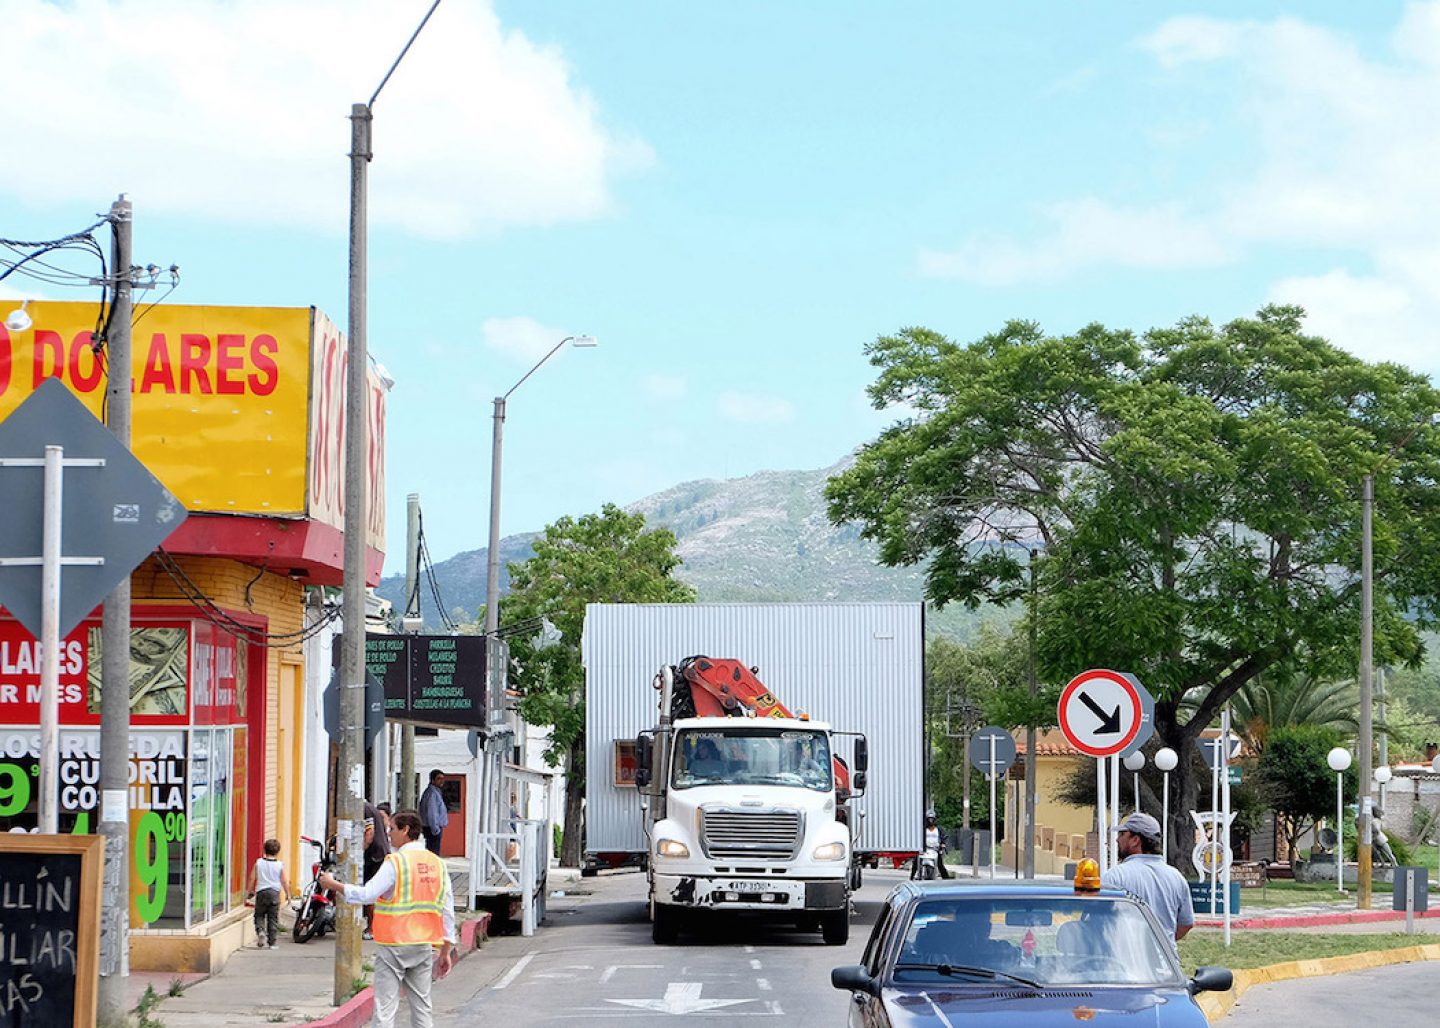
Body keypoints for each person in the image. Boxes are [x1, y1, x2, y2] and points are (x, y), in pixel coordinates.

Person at [319, 810, 456, 1028]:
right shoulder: (437, 864)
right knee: (422, 1007)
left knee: (385, 1008)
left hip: (394, 945)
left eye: (392, 829)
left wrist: (333, 884)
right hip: (423, 945)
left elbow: (367, 895)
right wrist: (446, 951)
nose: (389, 834)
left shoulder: (396, 862)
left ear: (406, 830)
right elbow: (448, 911)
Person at [1102, 812, 1194, 957]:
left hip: (1127, 965)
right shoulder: (1177, 877)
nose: (1117, 840)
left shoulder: (1115, 876)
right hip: (1166, 968)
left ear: (1135, 840)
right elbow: (1186, 924)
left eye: (1122, 835)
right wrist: (1160, 942)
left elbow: (1098, 921)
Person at [246, 838, 291, 949]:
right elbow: (284, 881)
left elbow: (252, 878)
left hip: (261, 892)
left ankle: (260, 931)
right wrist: (288, 894)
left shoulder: (259, 862)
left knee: (259, 915)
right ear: (278, 852)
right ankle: (272, 943)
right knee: (273, 918)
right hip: (274, 893)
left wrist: (250, 891)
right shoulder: (280, 865)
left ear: (264, 850)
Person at [362, 801, 393, 939]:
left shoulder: (364, 809)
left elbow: (369, 833)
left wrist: (359, 850)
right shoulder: (371, 809)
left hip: (374, 855)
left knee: (371, 891)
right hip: (379, 853)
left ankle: (372, 927)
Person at [419, 770, 448, 854]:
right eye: (439, 779)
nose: (442, 781)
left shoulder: (436, 792)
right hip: (432, 828)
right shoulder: (432, 793)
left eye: (443, 779)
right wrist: (435, 830)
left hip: (432, 828)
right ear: (432, 780)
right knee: (433, 853)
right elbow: (432, 813)